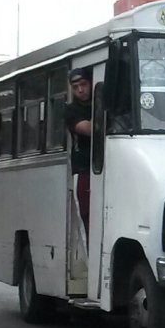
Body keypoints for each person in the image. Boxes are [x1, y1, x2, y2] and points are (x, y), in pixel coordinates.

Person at [65, 68, 92, 240]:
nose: (80, 90)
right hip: (83, 171)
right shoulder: (71, 110)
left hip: (110, 167)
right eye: (75, 87)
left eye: (83, 85)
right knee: (87, 218)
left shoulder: (102, 103)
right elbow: (89, 129)